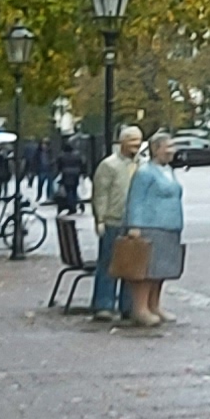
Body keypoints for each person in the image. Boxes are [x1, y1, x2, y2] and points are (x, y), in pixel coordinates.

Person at [117, 141, 185, 328]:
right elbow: (136, 199)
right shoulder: (144, 173)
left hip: (169, 225)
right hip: (150, 224)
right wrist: (134, 225)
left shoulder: (169, 171)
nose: (172, 151)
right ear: (156, 149)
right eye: (167, 147)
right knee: (146, 270)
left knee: (161, 269)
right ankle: (140, 308)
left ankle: (154, 305)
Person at [89, 126, 145, 320]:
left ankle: (127, 305)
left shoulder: (142, 165)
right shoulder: (109, 165)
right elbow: (100, 194)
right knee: (108, 264)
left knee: (132, 266)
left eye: (138, 141)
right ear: (122, 142)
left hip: (134, 221)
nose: (136, 145)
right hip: (113, 220)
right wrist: (100, 218)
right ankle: (103, 304)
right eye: (132, 141)